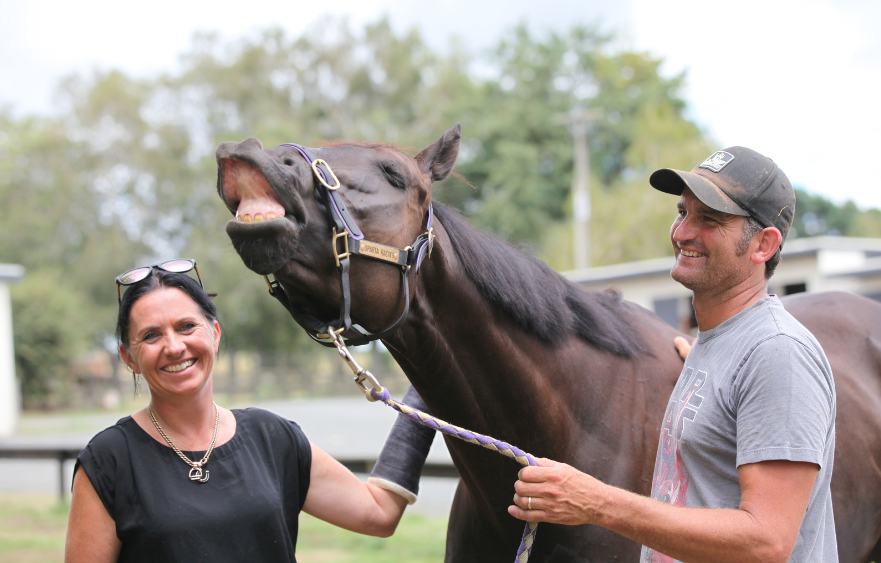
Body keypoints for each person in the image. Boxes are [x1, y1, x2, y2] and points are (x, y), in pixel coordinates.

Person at [508, 147, 837, 562]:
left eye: (710, 220)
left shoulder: (777, 354)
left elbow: (766, 541)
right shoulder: (717, 343)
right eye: (683, 212)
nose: (682, 233)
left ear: (763, 244)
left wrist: (596, 503)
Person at [65, 260, 436, 563]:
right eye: (151, 336)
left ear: (214, 333)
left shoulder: (271, 437)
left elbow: (379, 513)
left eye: (186, 326)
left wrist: (427, 386)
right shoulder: (108, 461)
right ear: (128, 357)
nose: (174, 346)